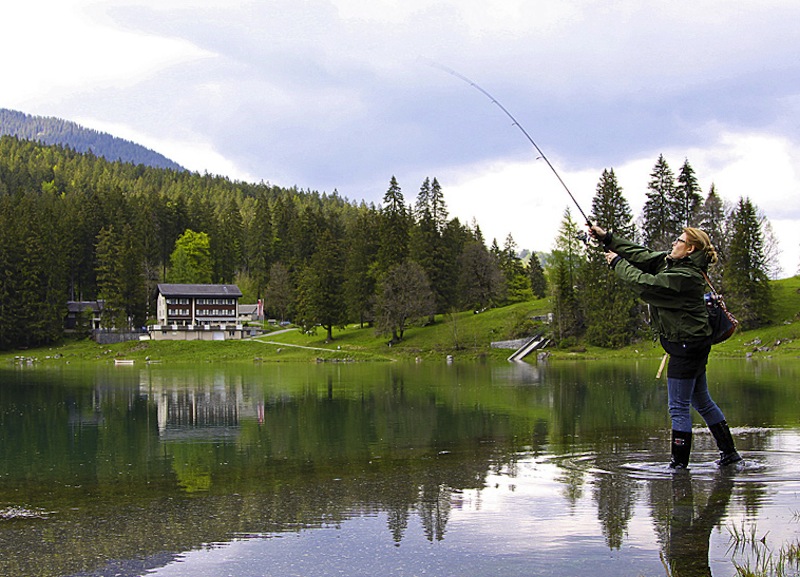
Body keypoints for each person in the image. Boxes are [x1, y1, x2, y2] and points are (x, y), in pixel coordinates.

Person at [588, 224, 742, 469]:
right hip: (693, 344)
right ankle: (730, 455)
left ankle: (679, 466)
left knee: (678, 407)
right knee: (702, 402)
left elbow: (646, 285)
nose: (673, 243)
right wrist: (608, 238)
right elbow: (642, 255)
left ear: (690, 249)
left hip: (686, 347)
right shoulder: (675, 264)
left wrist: (617, 263)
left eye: (678, 240)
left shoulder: (685, 277)